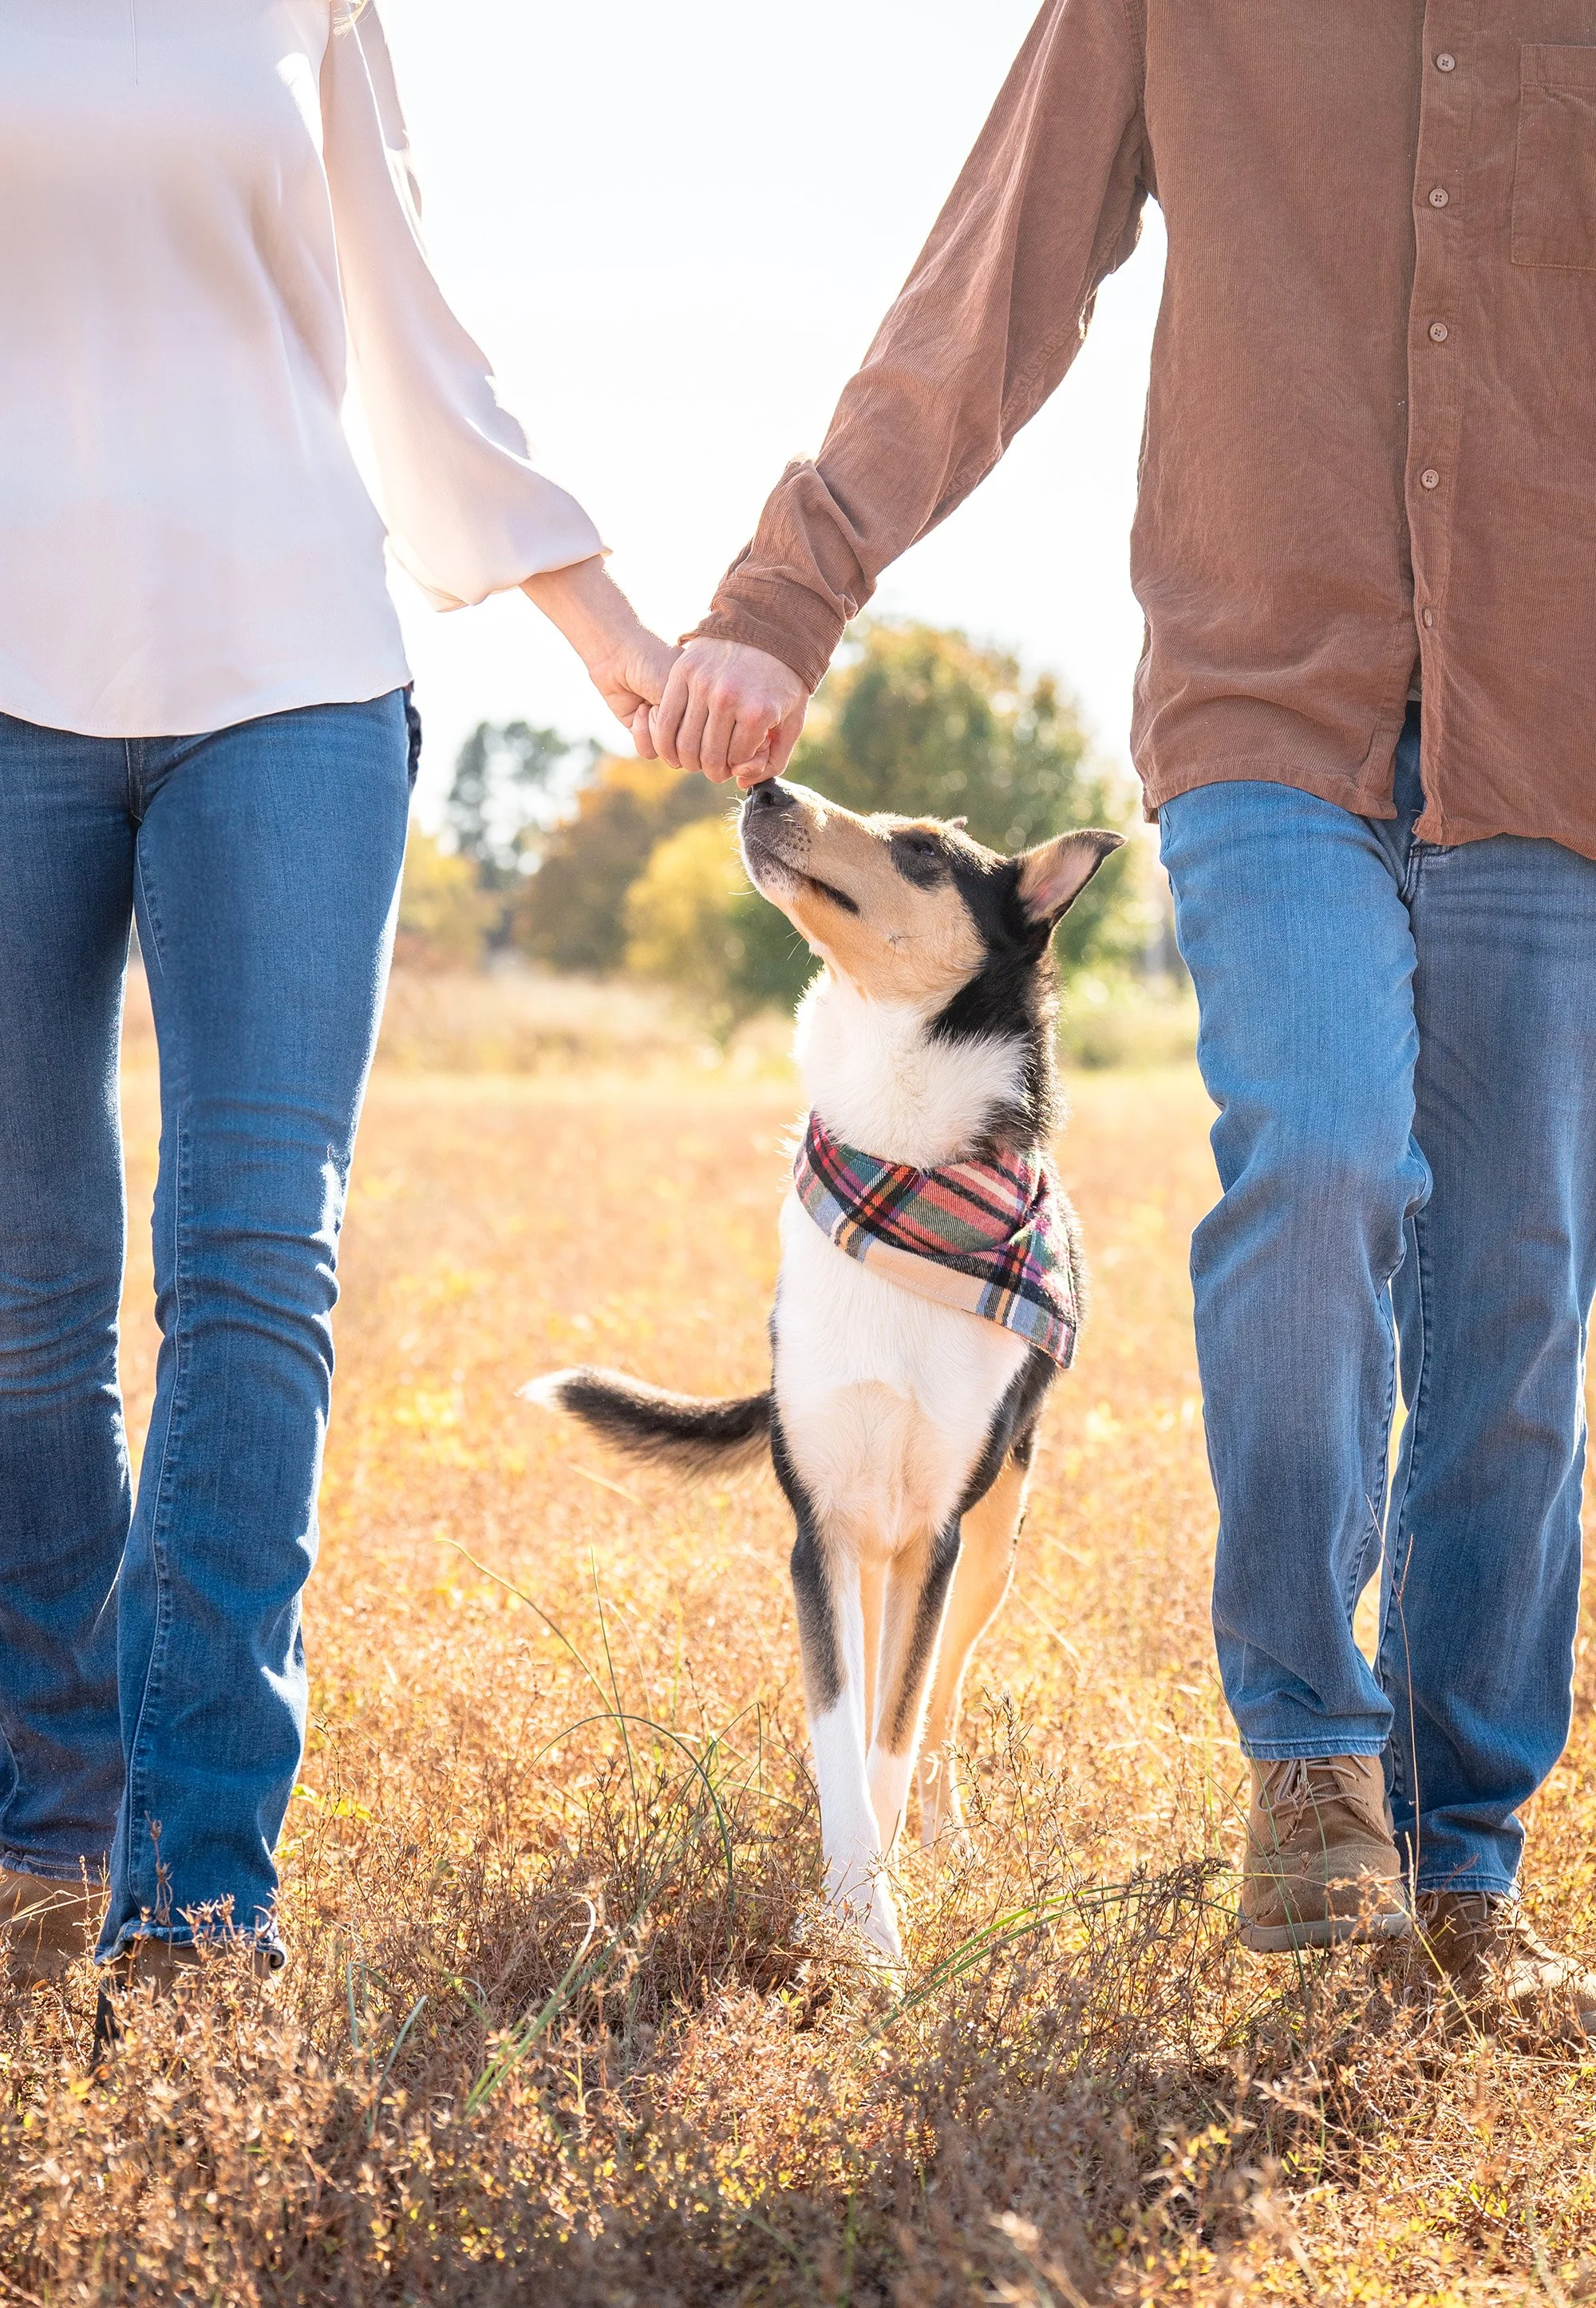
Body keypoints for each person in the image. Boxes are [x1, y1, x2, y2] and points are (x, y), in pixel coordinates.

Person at [650, 2, 1596, 2031]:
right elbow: (988, 284)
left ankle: (1461, 1864)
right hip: (1274, 693)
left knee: (1516, 1283)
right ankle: (1310, 1761)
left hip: (1561, 722)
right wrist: (782, 595)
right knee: (1326, 1140)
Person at [0, 0, 675, 1998]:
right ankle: (54, 1818)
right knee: (26, 1301)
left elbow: (407, 325)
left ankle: (198, 1895)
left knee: (248, 1269)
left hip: (292, 674)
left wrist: (602, 623)